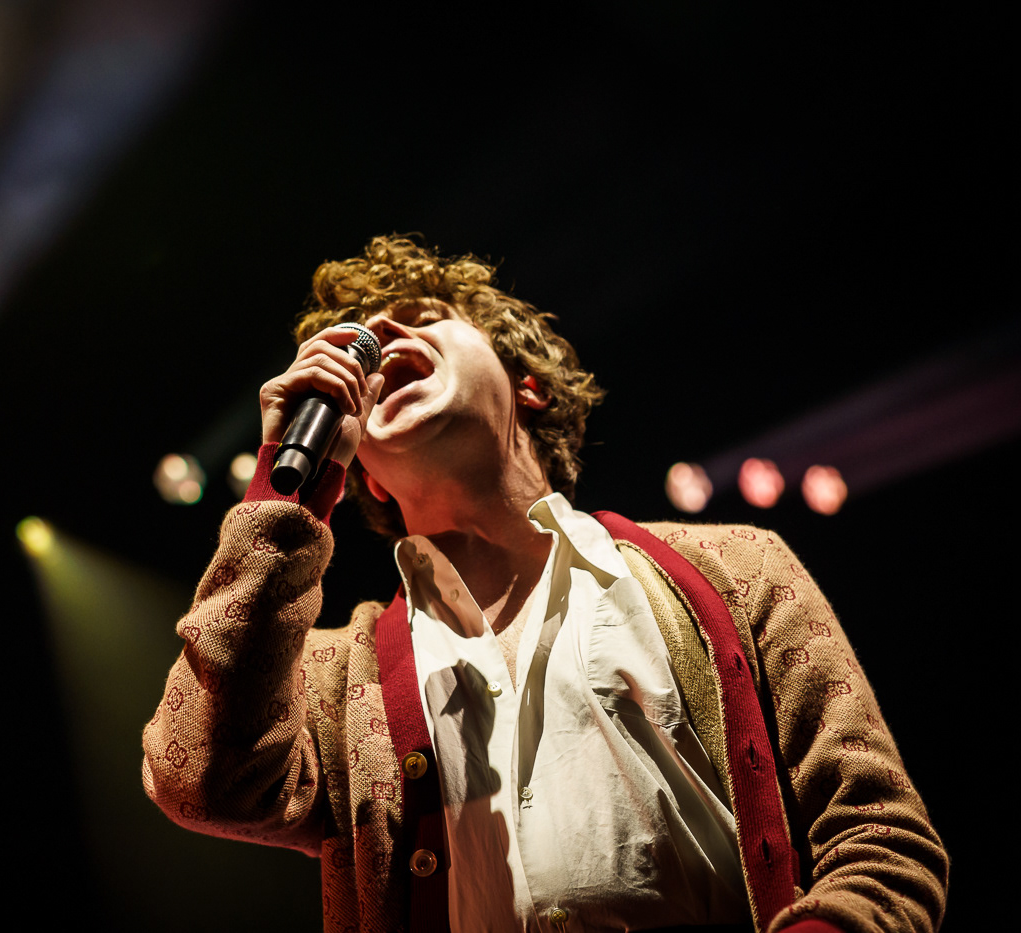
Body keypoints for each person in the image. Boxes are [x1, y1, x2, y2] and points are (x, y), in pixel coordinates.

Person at [142, 235, 947, 933]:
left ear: (528, 384)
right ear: (370, 477)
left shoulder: (736, 565)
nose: (380, 337)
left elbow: (880, 841)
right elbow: (198, 781)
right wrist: (283, 495)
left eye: (422, 318)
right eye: (364, 345)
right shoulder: (333, 677)